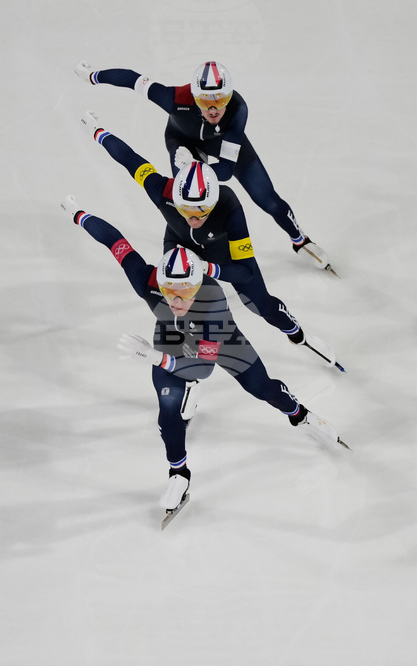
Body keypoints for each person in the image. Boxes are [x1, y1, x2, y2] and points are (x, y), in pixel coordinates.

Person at [59, 194, 346, 522]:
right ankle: (179, 474)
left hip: (219, 343)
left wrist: (154, 357)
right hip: (171, 338)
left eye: (184, 294)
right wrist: (78, 213)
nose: (176, 300)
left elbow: (203, 366)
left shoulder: (211, 305)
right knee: (167, 409)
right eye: (170, 293)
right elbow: (115, 242)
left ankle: (301, 415)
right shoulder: (147, 280)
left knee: (260, 387)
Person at [79, 111, 343, 372]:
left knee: (260, 304)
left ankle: (297, 334)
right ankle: (186, 374)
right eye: (187, 211)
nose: (194, 218)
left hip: (222, 254)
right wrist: (98, 132)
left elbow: (246, 270)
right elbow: (131, 161)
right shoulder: (162, 190)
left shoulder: (228, 205)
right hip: (180, 246)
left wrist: (210, 268)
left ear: (213, 202)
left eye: (202, 212)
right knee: (175, 305)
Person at [75, 59, 335, 275]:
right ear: (194, 96)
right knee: (191, 202)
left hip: (224, 145)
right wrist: (93, 76)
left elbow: (226, 172)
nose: (213, 109)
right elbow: (133, 79)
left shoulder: (238, 110)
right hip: (182, 144)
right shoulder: (174, 98)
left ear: (229, 96)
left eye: (220, 100)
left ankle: (300, 240)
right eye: (206, 102)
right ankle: (202, 257)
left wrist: (202, 168)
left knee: (268, 200)